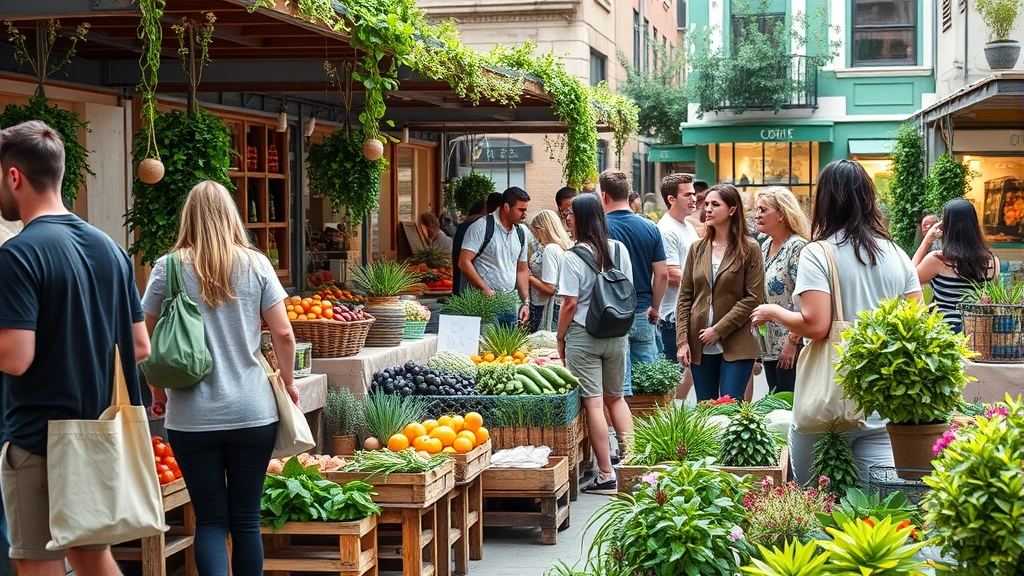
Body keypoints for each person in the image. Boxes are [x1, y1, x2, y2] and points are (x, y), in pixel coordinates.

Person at [0, 120, 151, 576]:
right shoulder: (110, 250)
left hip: (39, 439)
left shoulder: (18, 255)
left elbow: (16, 357)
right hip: (97, 435)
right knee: (91, 558)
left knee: (35, 564)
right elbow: (139, 346)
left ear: (13, 176)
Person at [141, 180, 296, 576]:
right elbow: (283, 332)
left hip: (191, 416)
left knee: (210, 519)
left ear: (188, 219)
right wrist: (289, 381)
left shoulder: (168, 267)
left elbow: (143, 338)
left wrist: (158, 391)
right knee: (246, 521)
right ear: (231, 216)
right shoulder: (256, 264)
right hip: (253, 412)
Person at [751, 159, 922, 485]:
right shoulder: (896, 254)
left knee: (814, 496)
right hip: (880, 401)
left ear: (824, 200)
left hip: (827, 401)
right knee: (876, 502)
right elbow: (916, 321)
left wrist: (773, 311)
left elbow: (816, 326)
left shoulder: (818, 253)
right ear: (869, 199)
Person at [556, 193, 634, 494]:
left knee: (594, 403)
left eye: (570, 215)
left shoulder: (572, 256)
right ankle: (632, 465)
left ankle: (606, 474)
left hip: (584, 336)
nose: (567, 219)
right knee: (617, 399)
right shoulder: (618, 249)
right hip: (616, 333)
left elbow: (569, 304)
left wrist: (560, 338)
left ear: (581, 218)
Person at [676, 184, 765, 401]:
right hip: (699, 340)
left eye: (715, 204)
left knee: (729, 405)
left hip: (737, 340)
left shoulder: (750, 248)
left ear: (732, 210)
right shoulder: (697, 248)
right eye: (706, 204)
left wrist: (718, 329)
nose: (707, 209)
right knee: (705, 407)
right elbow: (685, 296)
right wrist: (682, 341)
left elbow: (753, 298)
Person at [600, 170, 668, 395]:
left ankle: (624, 420)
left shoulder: (600, 228)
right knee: (649, 384)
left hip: (612, 314)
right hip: (643, 311)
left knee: (619, 388)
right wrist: (655, 307)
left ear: (604, 196)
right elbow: (662, 274)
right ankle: (648, 418)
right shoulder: (650, 227)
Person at [753, 186, 810, 394]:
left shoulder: (798, 247)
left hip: (791, 346)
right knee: (774, 402)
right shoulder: (765, 246)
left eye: (763, 210)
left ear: (781, 214)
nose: (756, 215)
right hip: (769, 347)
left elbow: (805, 300)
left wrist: (792, 342)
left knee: (788, 403)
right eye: (756, 209)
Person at [913, 199, 999, 333]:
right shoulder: (992, 262)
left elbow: (910, 278)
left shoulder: (939, 260)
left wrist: (927, 240)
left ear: (946, 226)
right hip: (976, 334)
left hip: (944, 335)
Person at [655, 173, 701, 399]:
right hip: (671, 317)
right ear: (671, 199)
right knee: (675, 374)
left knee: (690, 372)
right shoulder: (666, 229)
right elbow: (671, 273)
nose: (694, 198)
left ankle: (675, 408)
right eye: (687, 194)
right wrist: (706, 285)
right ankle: (670, 410)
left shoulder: (687, 226)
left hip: (687, 313)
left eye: (694, 193)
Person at [459, 187, 532, 323]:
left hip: (511, 299)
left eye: (525, 210)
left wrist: (526, 302)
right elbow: (464, 262)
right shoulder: (481, 226)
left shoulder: (521, 232)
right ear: (506, 207)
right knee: (487, 337)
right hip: (484, 300)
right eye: (521, 210)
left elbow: (522, 269)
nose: (524, 215)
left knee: (509, 337)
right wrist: (485, 290)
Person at [527, 209, 573, 333]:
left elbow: (550, 288)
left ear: (541, 229)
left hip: (547, 307)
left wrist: (528, 277)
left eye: (535, 232)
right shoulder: (563, 247)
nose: (535, 237)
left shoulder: (550, 249)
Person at [451, 192, 503, 295]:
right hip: (475, 286)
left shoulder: (465, 225)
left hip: (462, 281)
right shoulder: (481, 226)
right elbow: (464, 261)